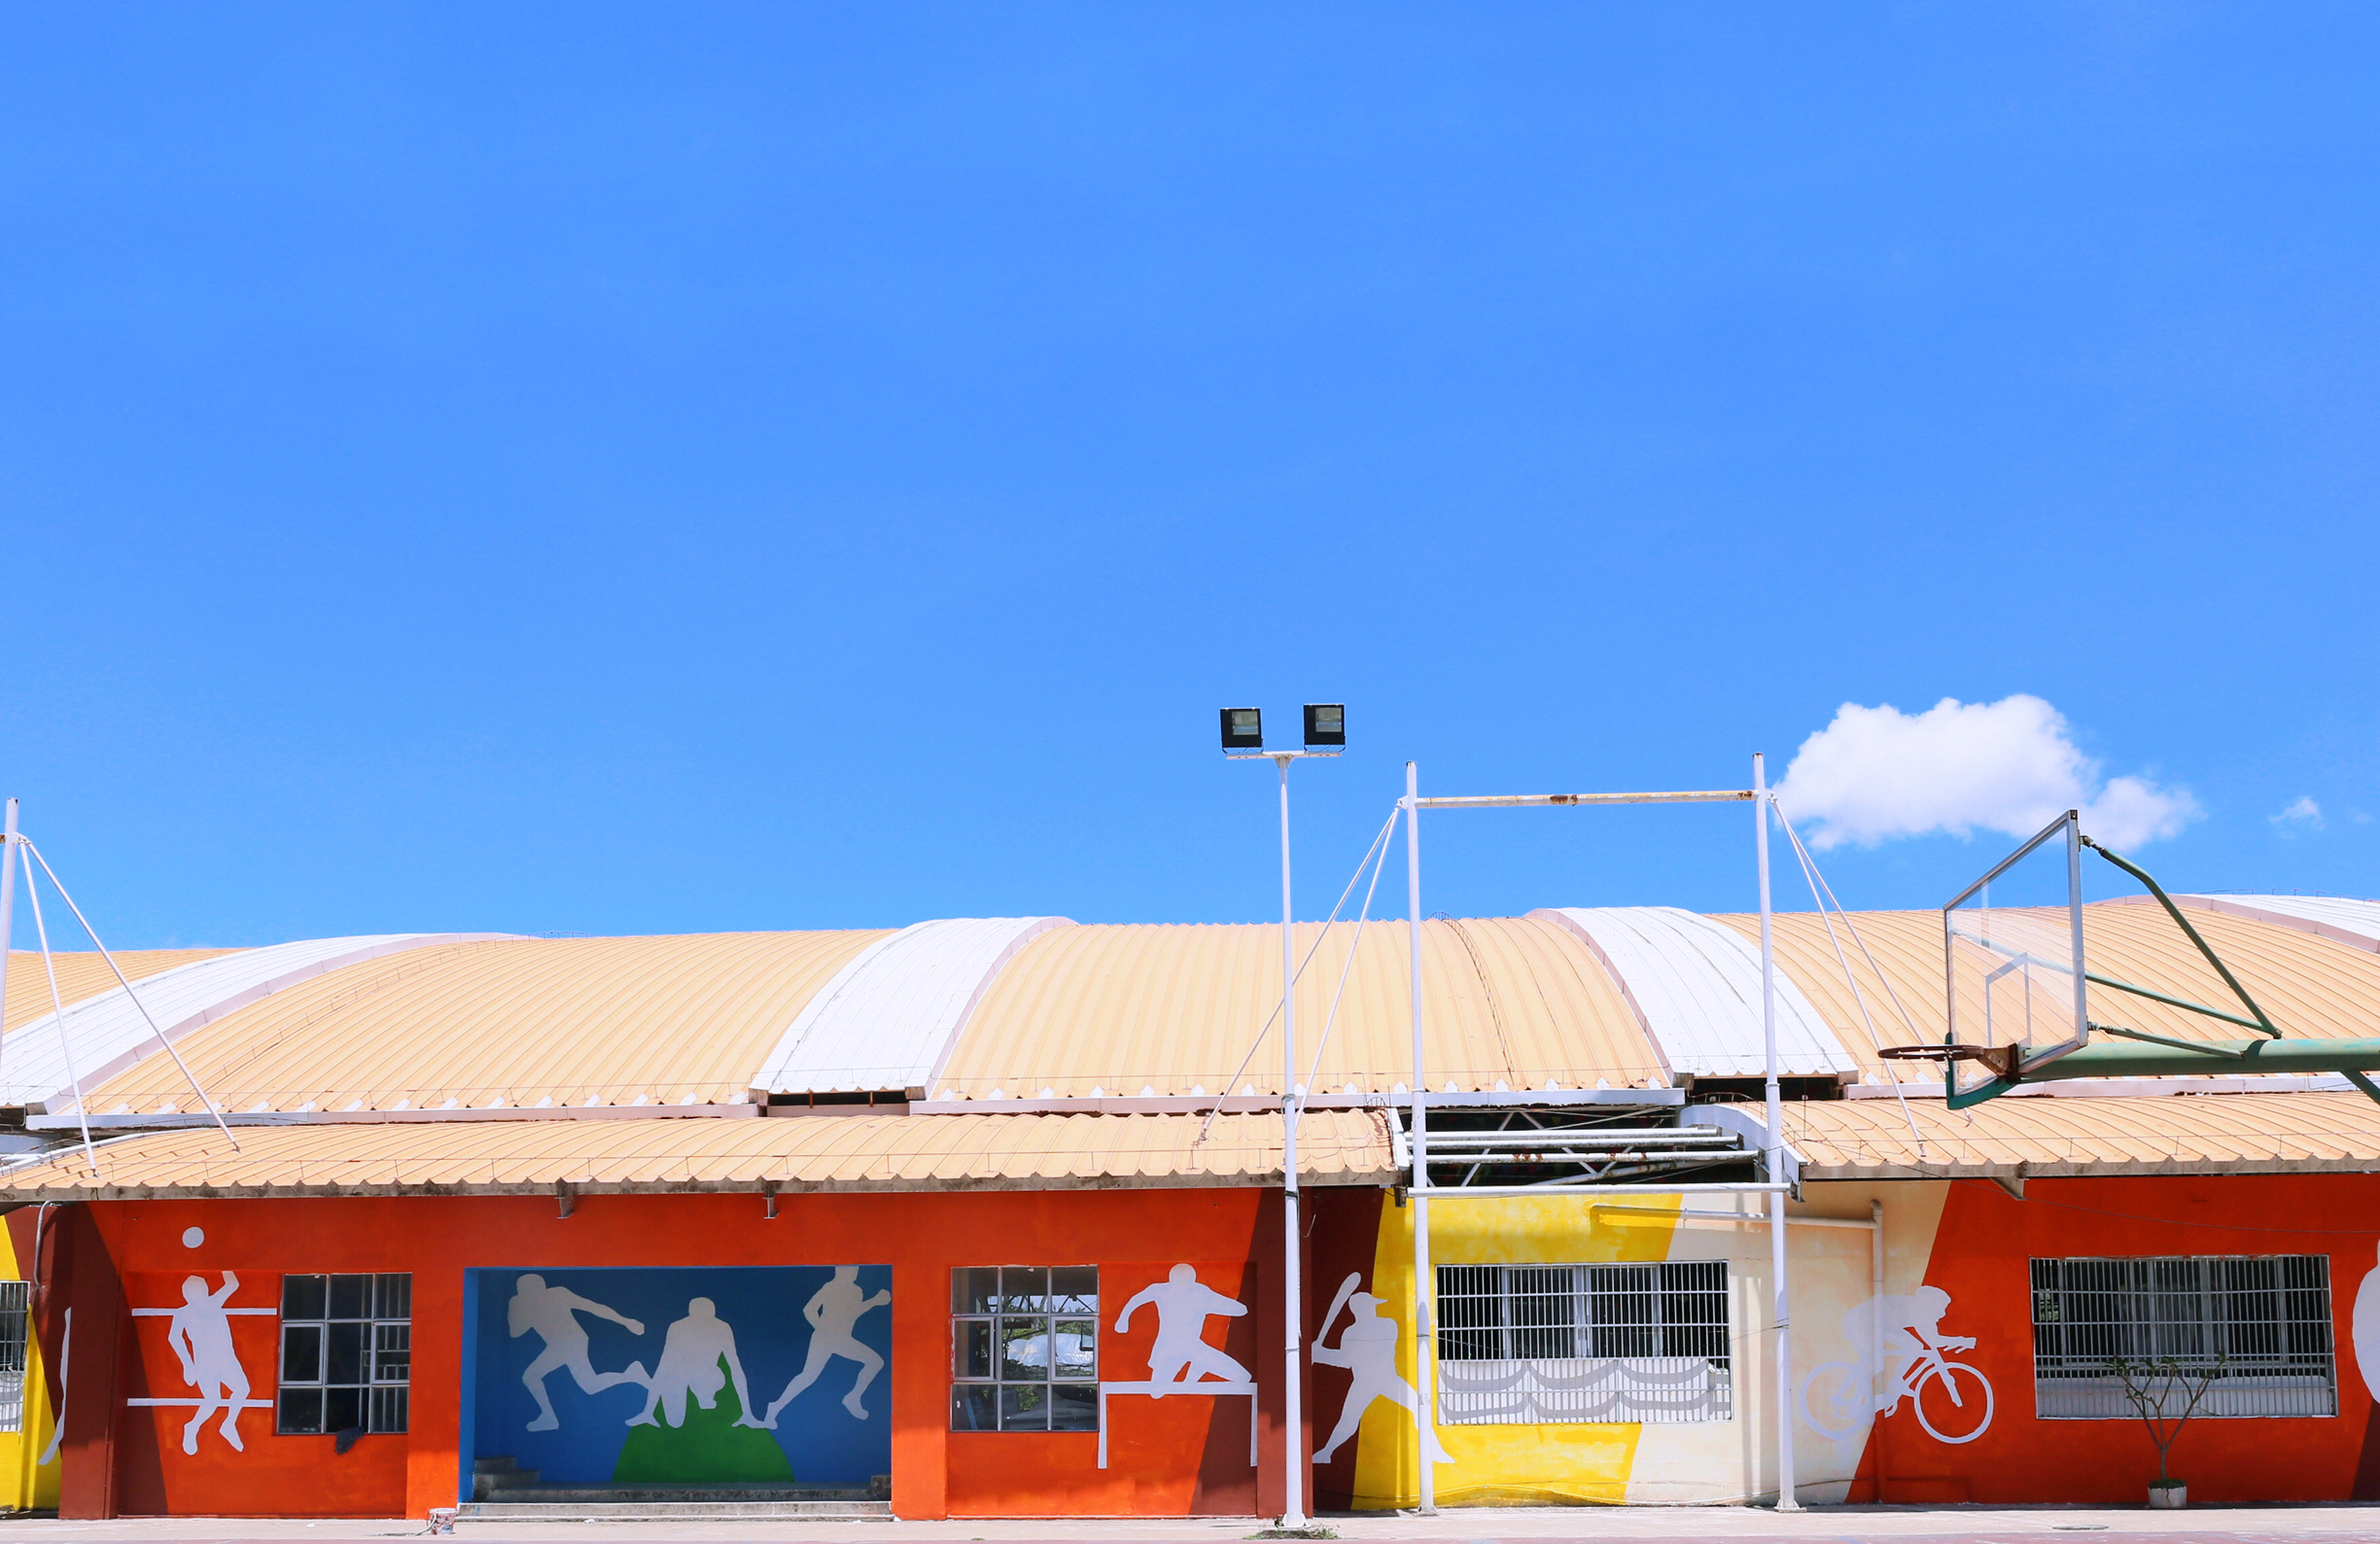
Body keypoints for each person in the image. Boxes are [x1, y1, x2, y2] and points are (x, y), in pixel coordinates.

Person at [1311, 1284, 1450, 1465]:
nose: (1373, 1309)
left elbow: (1356, 1357)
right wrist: (1319, 1354)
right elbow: (1346, 1361)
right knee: (1348, 1421)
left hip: (1387, 1379)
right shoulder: (1350, 1332)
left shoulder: (1386, 1325)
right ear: (1360, 1310)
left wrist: (1322, 1354)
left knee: (1418, 1407)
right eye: (1370, 1306)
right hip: (1363, 1382)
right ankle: (1326, 1452)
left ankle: (1435, 1451)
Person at [508, 1274, 648, 1432]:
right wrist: (519, 1308)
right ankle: (632, 1375)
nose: (535, 1293)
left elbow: (593, 1307)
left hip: (572, 1341)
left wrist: (627, 1322)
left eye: (536, 1289)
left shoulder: (558, 1294)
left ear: (542, 1287)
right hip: (559, 1345)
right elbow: (515, 1332)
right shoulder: (521, 1303)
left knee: (531, 1376)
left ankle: (549, 1418)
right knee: (590, 1385)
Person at [763, 1266, 891, 1424]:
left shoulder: (856, 1291)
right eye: (849, 1270)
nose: (853, 1272)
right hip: (823, 1339)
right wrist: (822, 1329)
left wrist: (874, 1302)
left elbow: (853, 1312)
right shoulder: (830, 1287)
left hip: (842, 1339)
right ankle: (775, 1407)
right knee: (808, 1376)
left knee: (876, 1361)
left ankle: (853, 1397)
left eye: (855, 1270)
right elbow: (809, 1309)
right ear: (840, 1271)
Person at [628, 1297, 767, 1429]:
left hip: (708, 1373)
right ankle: (639, 1375)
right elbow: (664, 1364)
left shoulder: (722, 1328)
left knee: (705, 1383)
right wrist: (648, 1411)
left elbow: (734, 1365)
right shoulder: (677, 1326)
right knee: (674, 1422)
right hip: (680, 1373)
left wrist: (747, 1413)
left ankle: (705, 1397)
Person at [1112, 1264, 1251, 1396]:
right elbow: (1136, 1299)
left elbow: (1241, 1309)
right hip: (1169, 1348)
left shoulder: (1199, 1293)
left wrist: (1216, 1304)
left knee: (1243, 1377)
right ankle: (1199, 1366)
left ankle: (1200, 1365)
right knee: (1156, 1393)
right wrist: (1123, 1319)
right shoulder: (1162, 1290)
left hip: (1192, 1347)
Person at [1842, 1284, 1974, 1411]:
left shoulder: (1920, 1311)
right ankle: (1857, 1403)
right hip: (1859, 1322)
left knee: (1913, 1346)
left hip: (1877, 1325)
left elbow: (1933, 1340)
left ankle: (1894, 1383)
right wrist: (1960, 1341)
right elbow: (1933, 1340)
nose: (1943, 1314)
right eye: (1941, 1308)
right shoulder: (1911, 1309)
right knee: (1871, 1362)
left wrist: (1961, 1341)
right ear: (1930, 1305)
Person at [167, 1273, 250, 1455]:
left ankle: (228, 1424)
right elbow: (174, 1338)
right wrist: (188, 1365)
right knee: (214, 1399)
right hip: (205, 1362)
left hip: (225, 1358)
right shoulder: (186, 1312)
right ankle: (193, 1427)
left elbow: (232, 1284)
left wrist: (224, 1265)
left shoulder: (212, 1303)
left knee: (241, 1389)